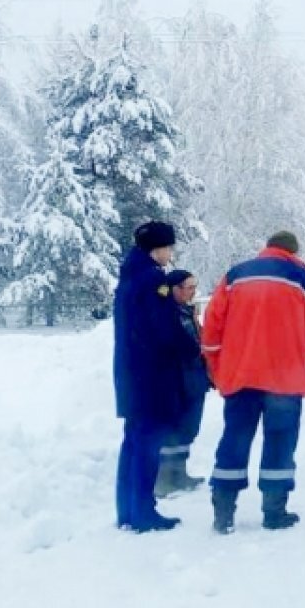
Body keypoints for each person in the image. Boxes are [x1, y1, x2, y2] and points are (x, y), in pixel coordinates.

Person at [202, 231, 305, 534]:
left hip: (241, 376)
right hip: (285, 378)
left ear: (267, 248)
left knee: (235, 438)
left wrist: (216, 368)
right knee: (279, 442)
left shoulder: (235, 275)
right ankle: (274, 511)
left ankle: (223, 511)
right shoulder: (304, 280)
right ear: (293, 252)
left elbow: (212, 328)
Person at [113, 221, 198, 533]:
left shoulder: (130, 276)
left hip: (131, 372)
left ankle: (128, 510)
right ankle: (144, 512)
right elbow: (163, 328)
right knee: (148, 443)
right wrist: (191, 348)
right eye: (168, 247)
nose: (170, 253)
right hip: (151, 375)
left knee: (133, 442)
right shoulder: (153, 280)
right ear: (157, 248)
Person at [153, 269, 210, 498]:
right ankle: (164, 479)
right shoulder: (167, 314)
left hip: (194, 379)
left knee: (188, 428)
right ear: (174, 289)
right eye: (189, 287)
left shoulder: (188, 312)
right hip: (177, 381)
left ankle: (180, 474)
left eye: (194, 287)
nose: (193, 291)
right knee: (172, 431)